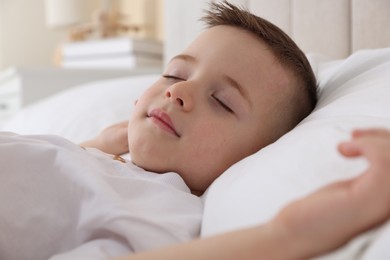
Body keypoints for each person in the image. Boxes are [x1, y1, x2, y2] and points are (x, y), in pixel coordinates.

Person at [0, 1, 389, 260]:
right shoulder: (107, 161)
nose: (178, 90)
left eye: (222, 101)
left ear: (256, 154)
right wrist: (95, 146)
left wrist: (285, 236)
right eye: (174, 73)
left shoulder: (164, 208)